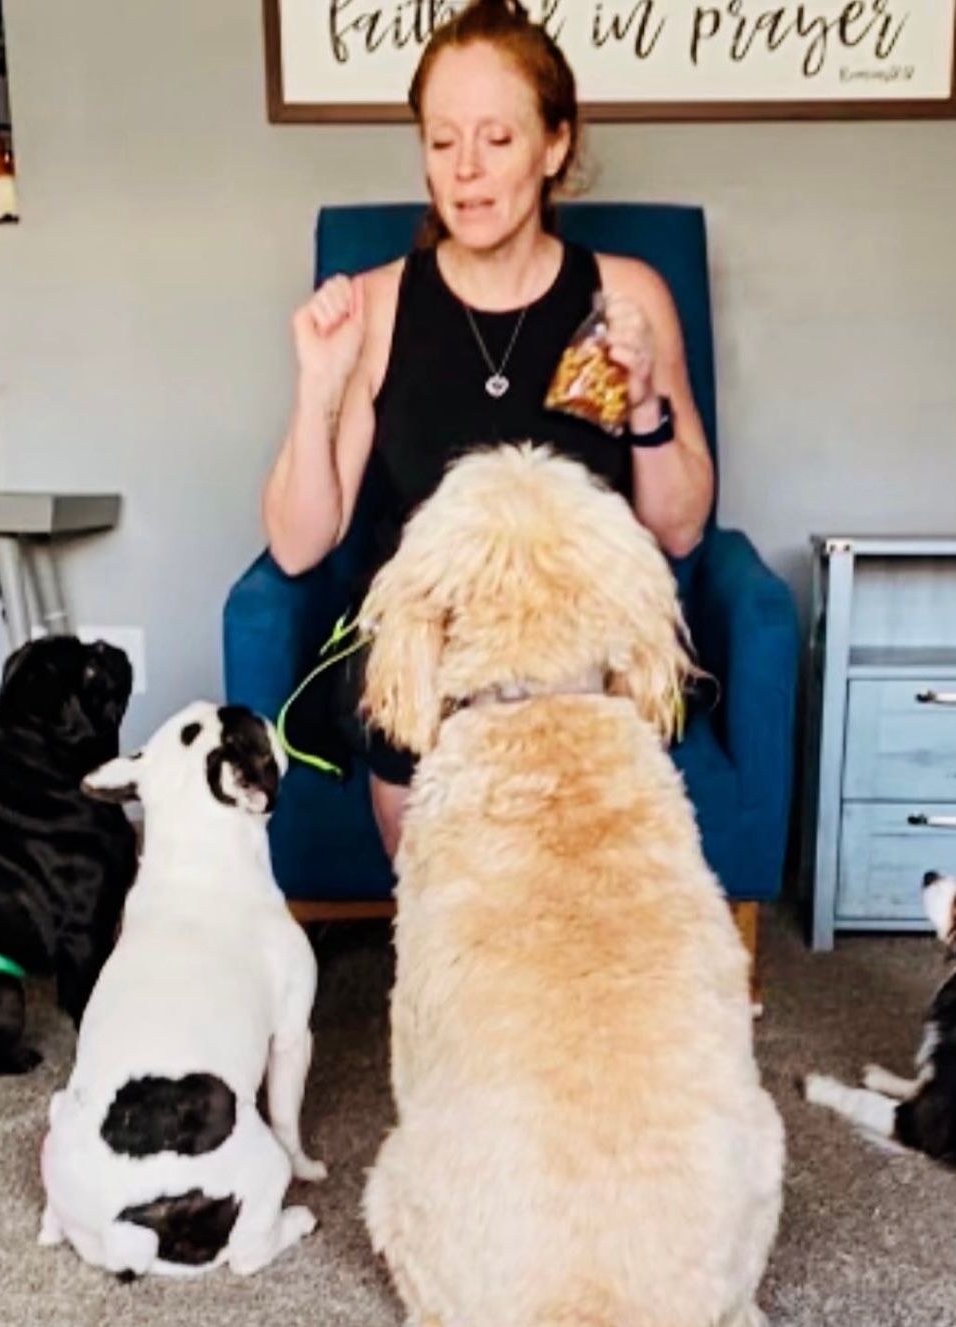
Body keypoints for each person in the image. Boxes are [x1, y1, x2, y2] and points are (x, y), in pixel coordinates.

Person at [262, 0, 714, 859]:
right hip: (425, 644)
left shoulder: (625, 293)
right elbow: (296, 545)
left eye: (497, 140)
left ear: (554, 146)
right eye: (441, 141)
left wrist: (646, 399)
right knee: (408, 692)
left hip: (576, 636)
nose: (465, 170)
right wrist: (318, 386)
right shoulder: (381, 303)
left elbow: (679, 527)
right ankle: (444, 949)